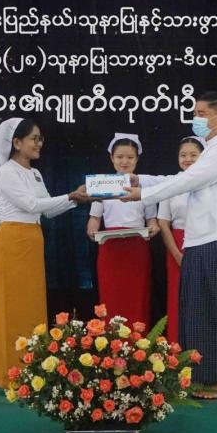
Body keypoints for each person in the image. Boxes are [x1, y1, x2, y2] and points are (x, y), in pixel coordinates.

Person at [121, 92, 217, 399]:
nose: (196, 119)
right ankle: (205, 376)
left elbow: (187, 181)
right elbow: (179, 177)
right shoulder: (212, 150)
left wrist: (143, 195)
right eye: (194, 113)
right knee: (198, 312)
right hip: (200, 240)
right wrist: (141, 180)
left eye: (202, 113)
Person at [0, 117, 91, 388]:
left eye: (40, 138)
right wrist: (70, 196)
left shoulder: (34, 173)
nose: (39, 143)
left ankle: (32, 370)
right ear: (16, 142)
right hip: (11, 241)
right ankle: (10, 375)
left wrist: (74, 197)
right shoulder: (6, 172)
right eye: (34, 138)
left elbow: (47, 210)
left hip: (32, 241)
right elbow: (31, 205)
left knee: (31, 305)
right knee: (10, 308)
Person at [86, 133, 160, 327]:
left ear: (137, 159)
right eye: (119, 157)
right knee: (111, 295)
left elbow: (151, 219)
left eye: (130, 157)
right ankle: (111, 341)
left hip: (137, 247)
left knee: (137, 295)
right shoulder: (102, 185)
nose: (124, 161)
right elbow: (94, 219)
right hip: (110, 248)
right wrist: (92, 230)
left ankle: (138, 341)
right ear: (112, 158)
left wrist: (153, 227)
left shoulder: (145, 187)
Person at [156, 136, 205, 344]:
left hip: (203, 243)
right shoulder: (171, 183)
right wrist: (176, 253)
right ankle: (176, 349)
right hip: (176, 243)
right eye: (183, 155)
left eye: (193, 155)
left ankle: (202, 350)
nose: (188, 159)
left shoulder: (210, 183)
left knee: (202, 297)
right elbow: (162, 222)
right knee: (177, 296)